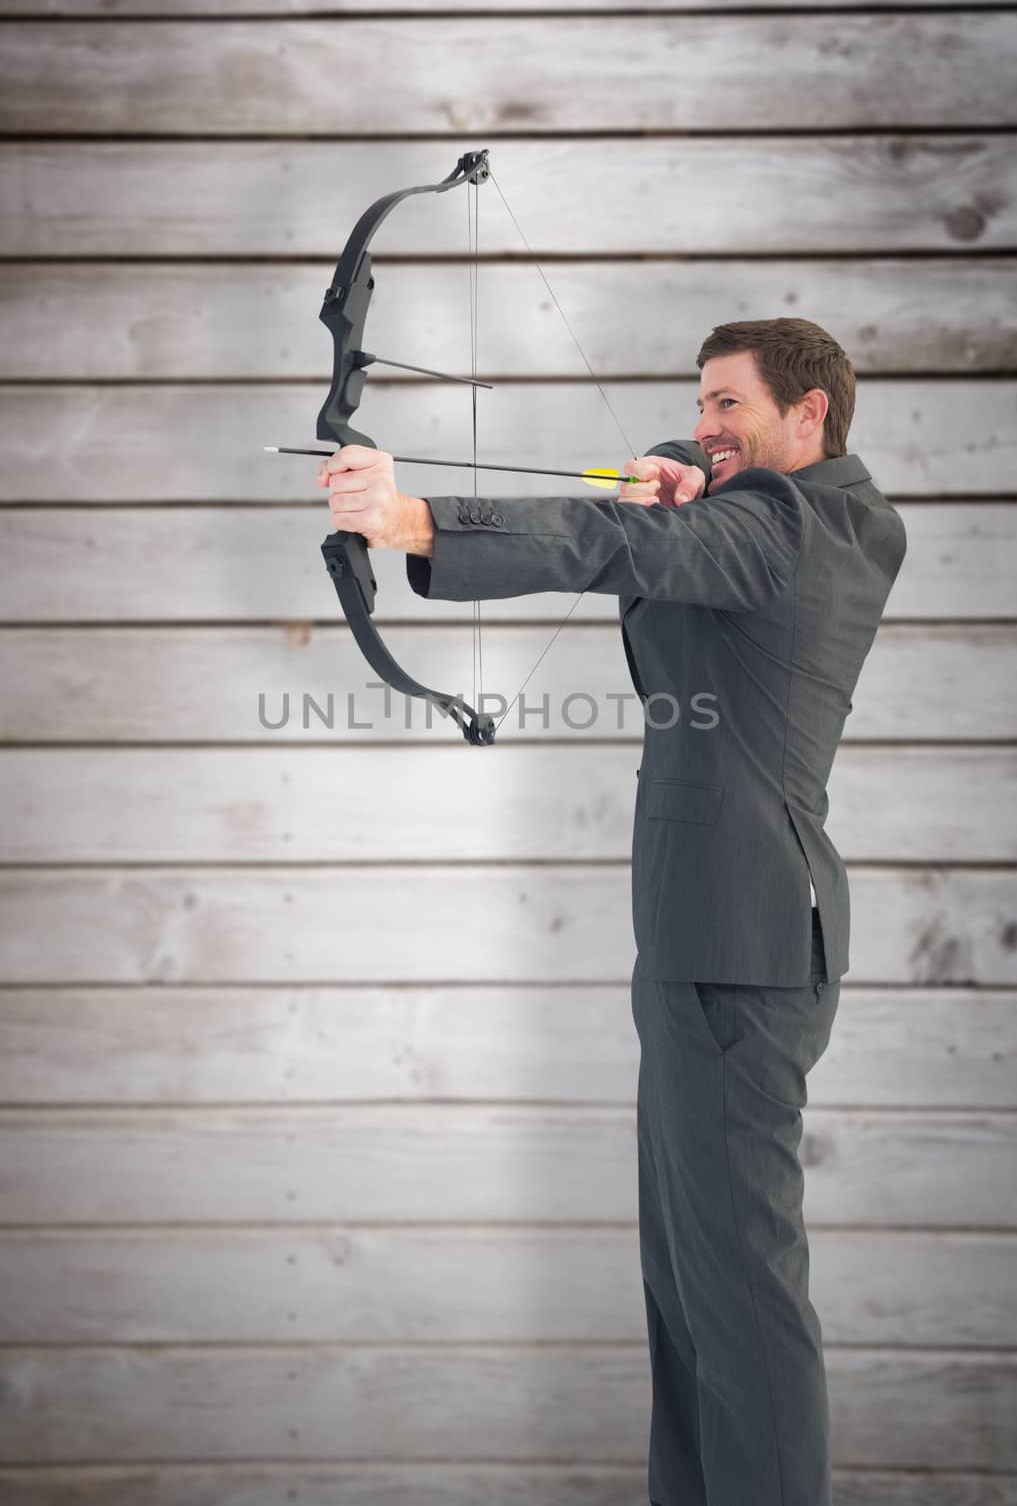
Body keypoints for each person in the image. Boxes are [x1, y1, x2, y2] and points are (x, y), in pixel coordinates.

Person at [317, 317, 908, 1506]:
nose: (706, 423)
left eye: (729, 405)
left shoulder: (813, 525)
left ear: (811, 417)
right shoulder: (753, 513)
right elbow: (665, 528)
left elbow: (606, 539)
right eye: (700, 404)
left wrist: (414, 519)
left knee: (741, 1297)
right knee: (689, 1295)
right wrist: (681, 468)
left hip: (741, 948)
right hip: (698, 939)